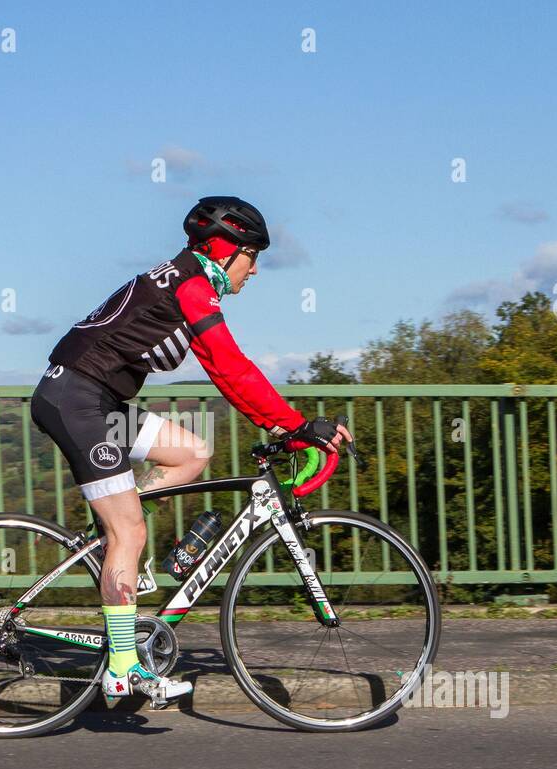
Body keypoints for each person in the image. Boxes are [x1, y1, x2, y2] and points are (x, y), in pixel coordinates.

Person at [30, 196, 351, 703]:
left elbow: (229, 372)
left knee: (192, 453)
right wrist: (295, 426)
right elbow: (230, 368)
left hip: (92, 396)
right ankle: (122, 666)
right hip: (77, 401)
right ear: (228, 251)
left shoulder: (187, 278)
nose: (256, 270)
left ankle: (120, 540)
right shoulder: (193, 287)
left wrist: (283, 426)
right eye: (253, 256)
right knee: (129, 530)